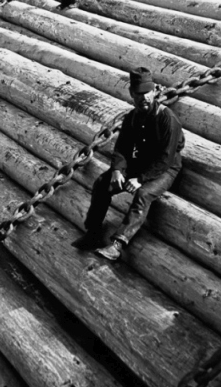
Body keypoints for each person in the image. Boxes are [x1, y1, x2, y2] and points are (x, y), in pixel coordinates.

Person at [74, 67, 185, 261]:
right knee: (102, 183)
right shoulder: (132, 117)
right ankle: (93, 233)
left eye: (148, 93)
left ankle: (117, 244)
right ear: (132, 94)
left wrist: (140, 179)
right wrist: (117, 170)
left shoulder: (167, 119)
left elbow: (165, 159)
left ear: (154, 92)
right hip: (141, 163)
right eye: (140, 94)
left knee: (143, 194)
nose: (144, 98)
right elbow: (121, 148)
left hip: (165, 168)